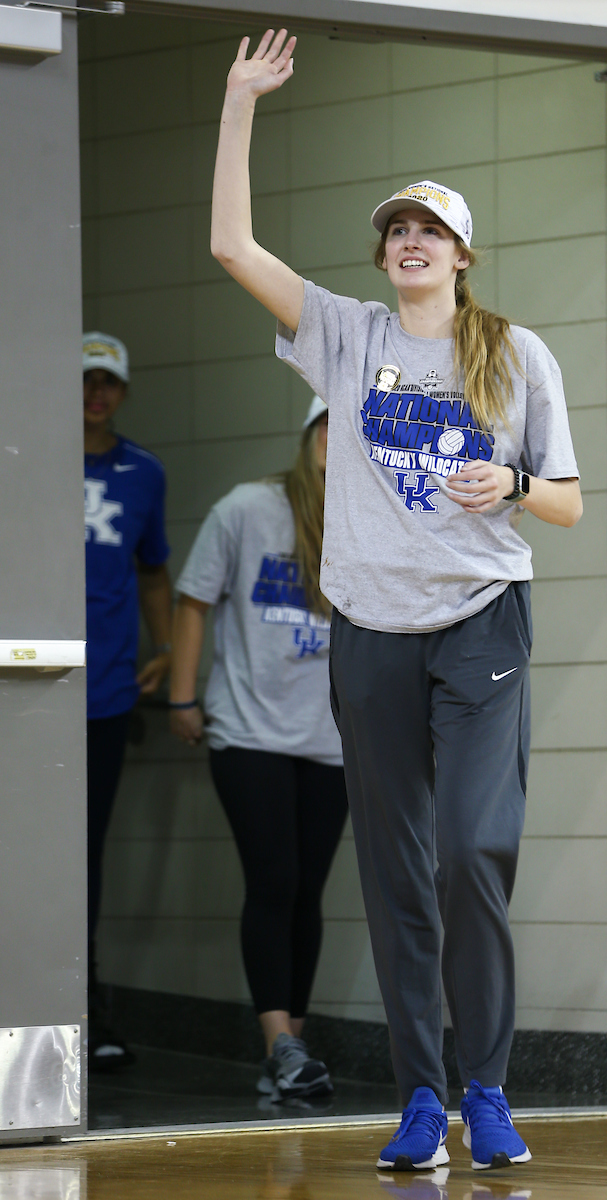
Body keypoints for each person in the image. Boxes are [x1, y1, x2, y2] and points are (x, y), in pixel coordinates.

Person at [209, 29, 582, 1170]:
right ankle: (422, 1098)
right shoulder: (344, 337)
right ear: (383, 261)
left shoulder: (515, 355)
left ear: (463, 253)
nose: (409, 241)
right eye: (395, 232)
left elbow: (564, 503)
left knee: (472, 850)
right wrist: (238, 101)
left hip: (479, 626)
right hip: (367, 631)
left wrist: (511, 481)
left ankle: (487, 1088)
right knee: (393, 867)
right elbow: (229, 243)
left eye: (428, 228)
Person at [169, 396, 347, 1102]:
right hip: (249, 730)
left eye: (352, 425)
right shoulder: (246, 507)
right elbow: (193, 599)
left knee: (307, 890)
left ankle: (289, 1053)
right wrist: (184, 696)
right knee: (273, 879)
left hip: (332, 738)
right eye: (327, 423)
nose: (337, 438)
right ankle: (280, 1041)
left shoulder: (374, 521)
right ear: (307, 434)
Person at [83, 331, 172, 1068]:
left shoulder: (144, 473)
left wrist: (169, 649)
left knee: (85, 852)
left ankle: (83, 1000)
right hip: (23, 686)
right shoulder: (25, 460)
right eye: (85, 381)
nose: (96, 394)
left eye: (107, 382)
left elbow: (154, 574)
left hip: (105, 690)